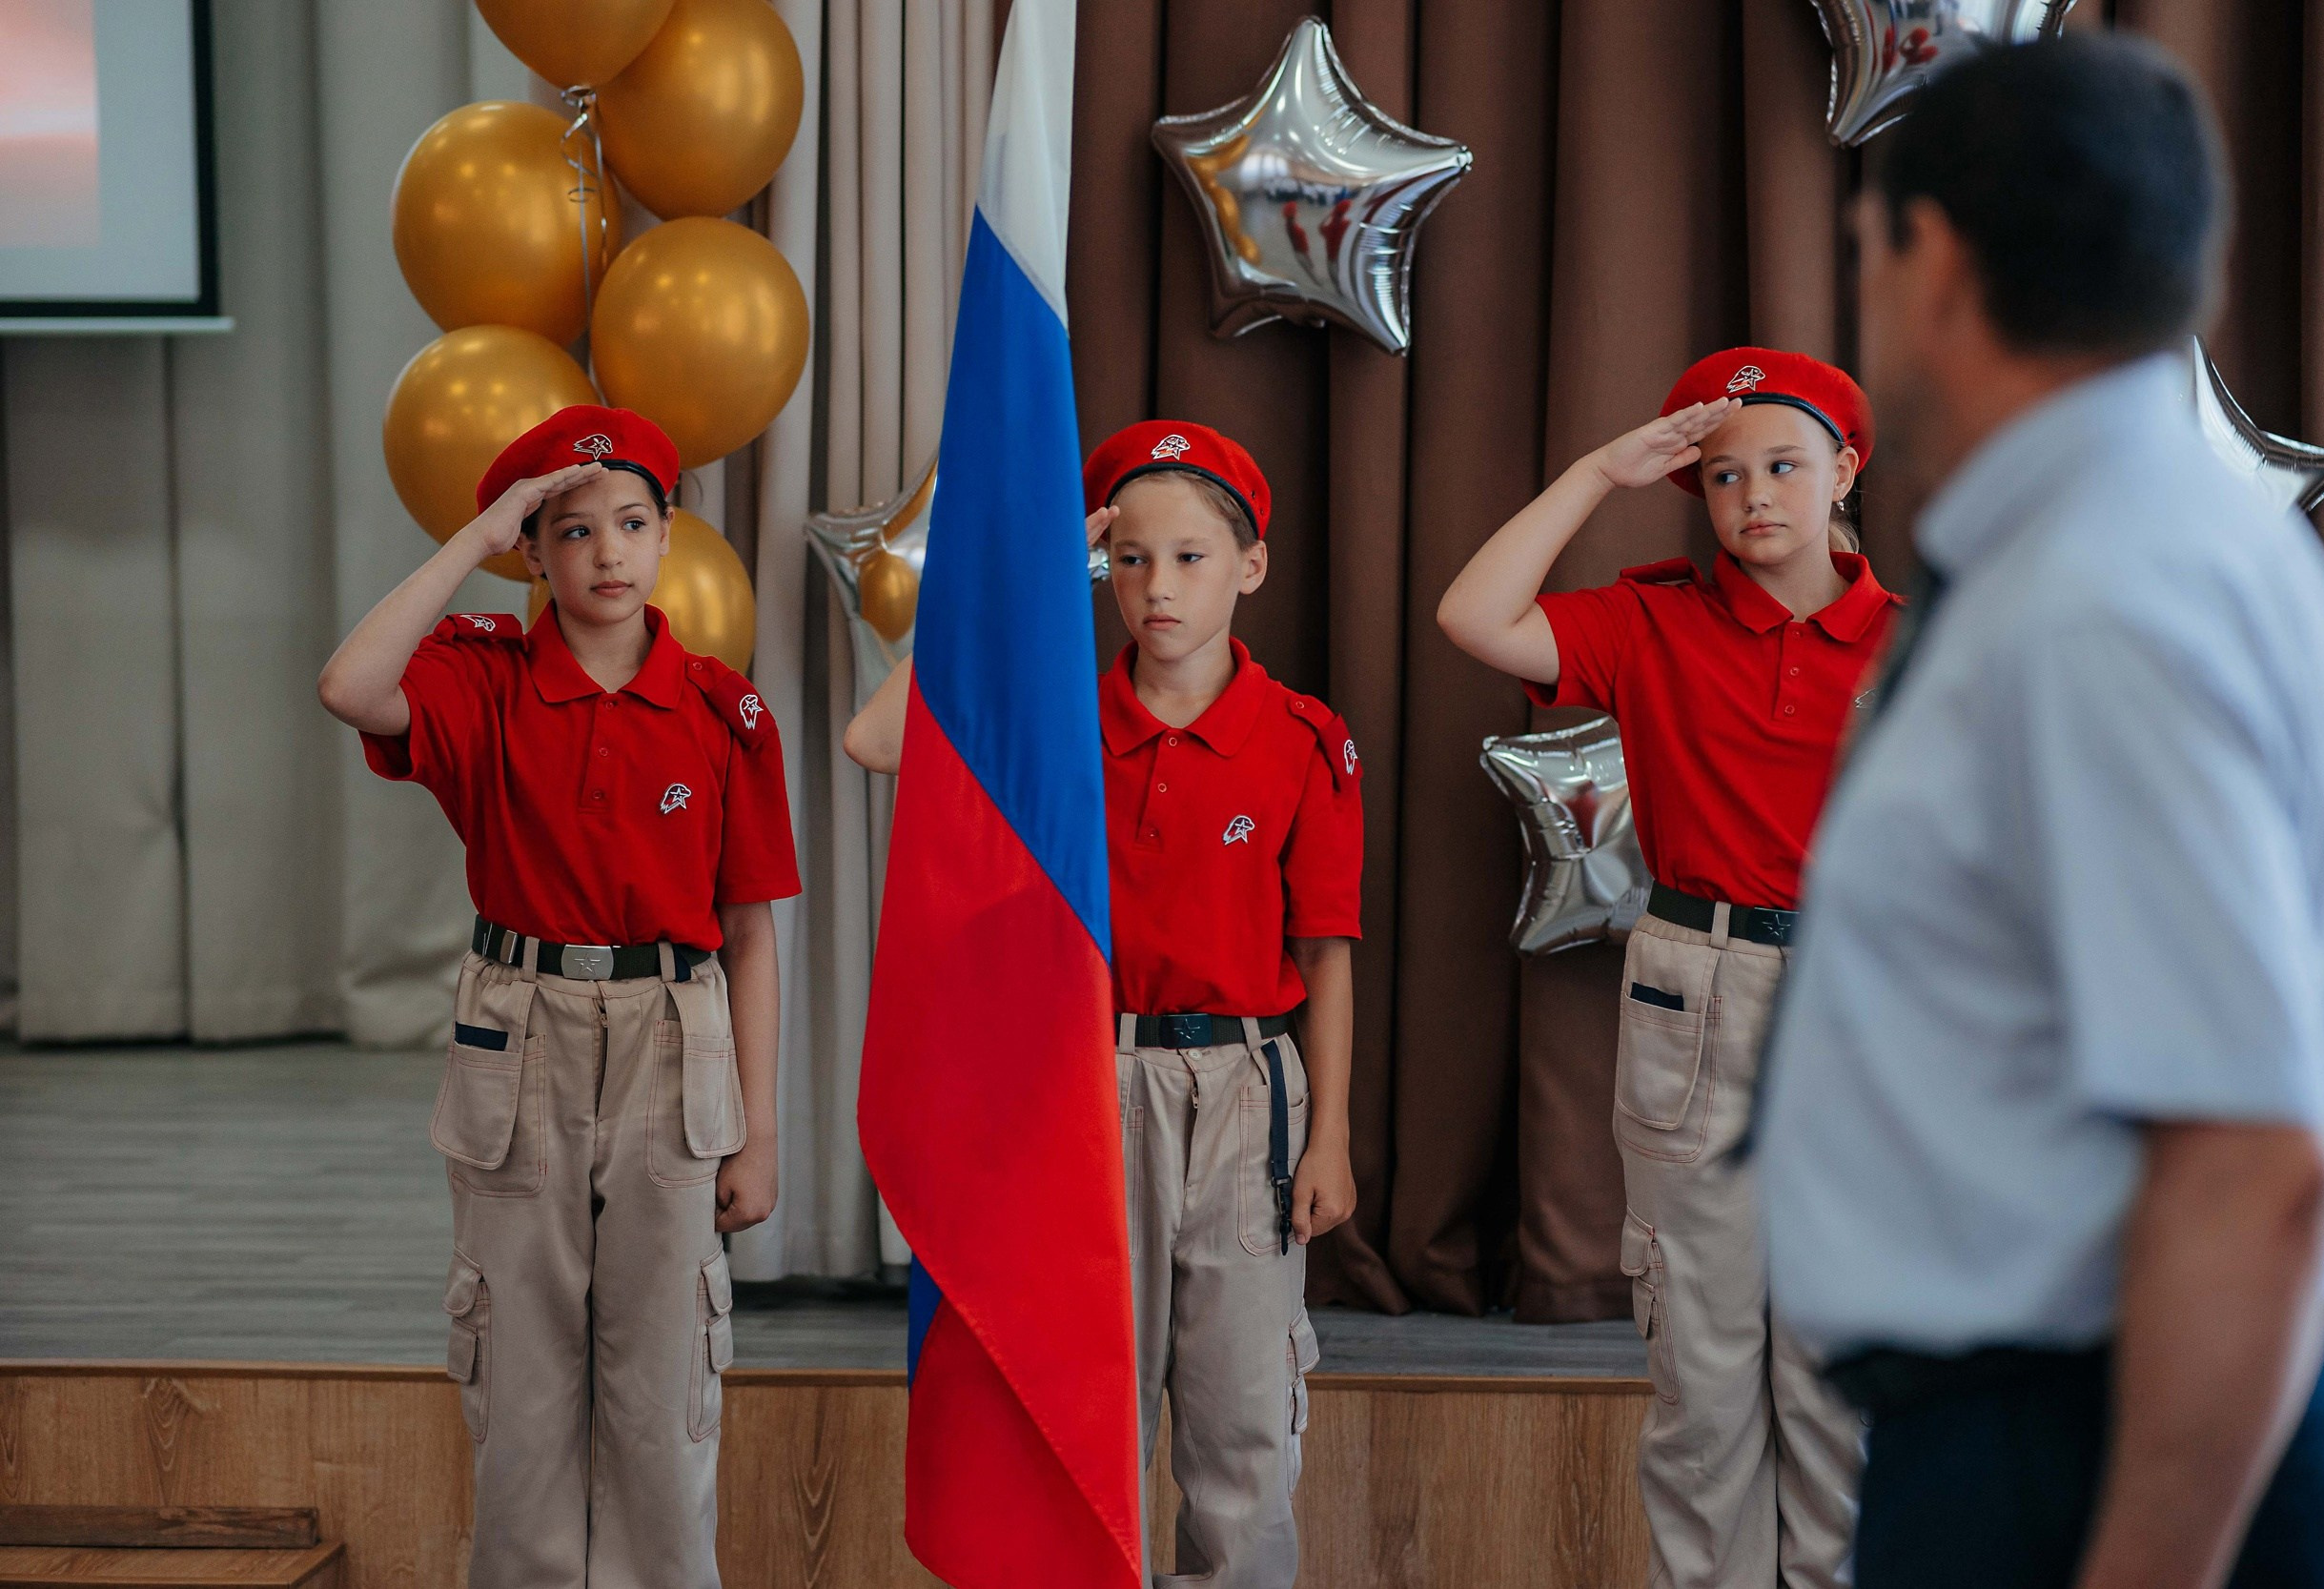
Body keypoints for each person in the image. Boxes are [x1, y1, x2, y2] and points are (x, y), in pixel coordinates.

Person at [1757, 35, 2324, 1589]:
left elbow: (2250, 1159)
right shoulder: (2110, 549)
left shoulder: (2107, 600)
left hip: (2107, 1451)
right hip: (2072, 1419)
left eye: (1865, 252)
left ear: (1936, 261)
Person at [846, 420, 1361, 1587]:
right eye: (1126, 559)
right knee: (1089, 1411)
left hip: (1244, 1093)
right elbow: (875, 737)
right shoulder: (1054, 721)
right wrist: (1028, 576)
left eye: (1188, 557)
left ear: (1251, 565)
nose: (1155, 587)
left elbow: (1325, 954)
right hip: (1086, 1085)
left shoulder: (1301, 742)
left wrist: (1327, 1133)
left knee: (1242, 1429)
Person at [316, 405, 802, 1589]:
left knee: (665, 1378)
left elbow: (750, 937)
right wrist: (472, 533)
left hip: (672, 1041)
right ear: (530, 553)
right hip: (519, 1028)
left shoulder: (724, 714)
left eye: (632, 523)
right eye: (570, 531)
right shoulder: (481, 681)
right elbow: (348, 684)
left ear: (669, 532)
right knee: (521, 1376)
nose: (607, 553)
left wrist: (761, 1127)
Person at [1438, 348, 1892, 1586]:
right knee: (1700, 1373)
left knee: (1834, 1375)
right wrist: (1598, 472)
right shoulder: (1652, 619)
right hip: (1699, 989)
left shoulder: (1915, 643)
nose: (1754, 495)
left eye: (1784, 465)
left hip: (1861, 1008)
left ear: (1846, 468)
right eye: (1723, 474)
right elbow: (1473, 615)